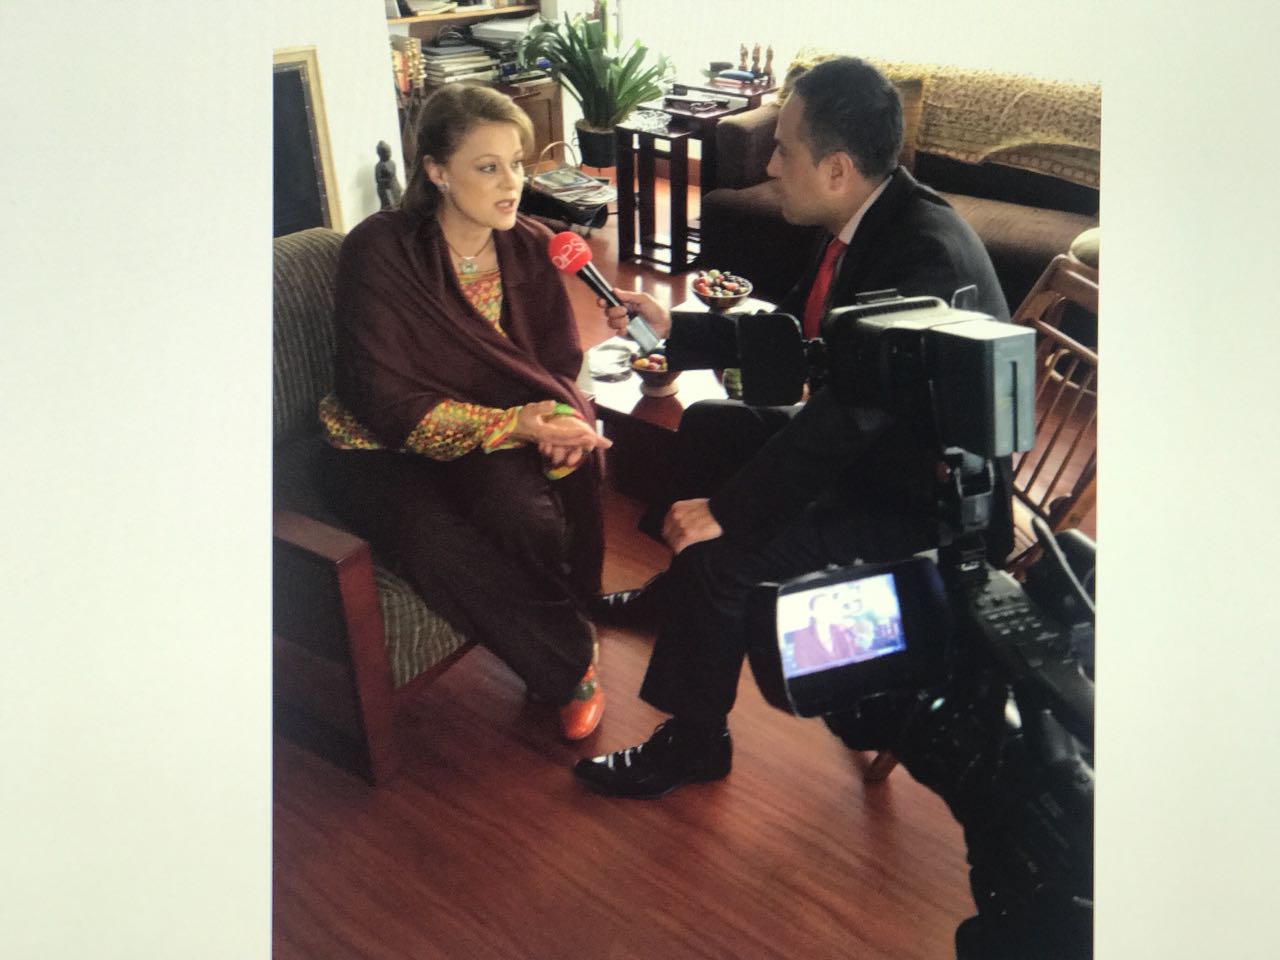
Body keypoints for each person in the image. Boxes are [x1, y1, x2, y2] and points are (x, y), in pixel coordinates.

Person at [573, 56, 1013, 798]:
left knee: (723, 556)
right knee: (709, 425)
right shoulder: (867, 217)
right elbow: (806, 346)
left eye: (783, 150)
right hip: (872, 447)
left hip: (918, 498)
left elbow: (846, 421)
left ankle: (696, 740)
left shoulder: (921, 263)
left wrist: (726, 511)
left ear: (836, 169)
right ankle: (677, 595)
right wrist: (675, 328)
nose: (771, 165)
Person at [318, 84, 612, 742]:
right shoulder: (379, 248)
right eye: (488, 167)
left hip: (485, 432)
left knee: (524, 512)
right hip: (375, 449)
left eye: (517, 164)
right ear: (437, 171)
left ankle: (561, 630)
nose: (512, 183)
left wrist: (554, 421)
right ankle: (571, 663)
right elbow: (378, 394)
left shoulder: (531, 246)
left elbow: (554, 363)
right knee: (431, 543)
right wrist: (514, 425)